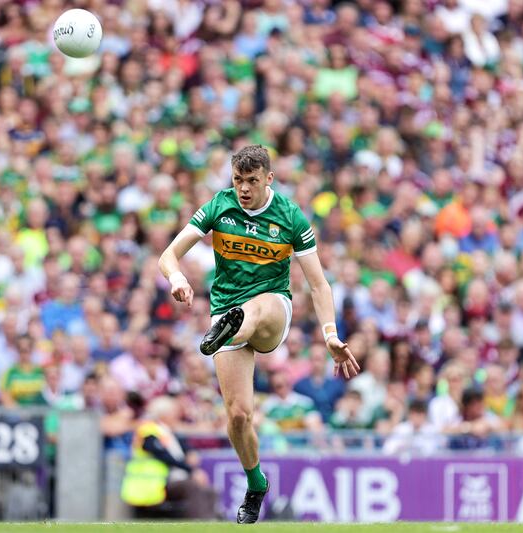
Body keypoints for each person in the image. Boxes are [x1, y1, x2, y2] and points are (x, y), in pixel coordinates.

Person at [158, 145, 360, 523]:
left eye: (252, 181)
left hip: (272, 312)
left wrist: (329, 334)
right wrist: (178, 277)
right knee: (237, 416)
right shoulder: (219, 206)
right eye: (238, 180)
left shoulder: (290, 216)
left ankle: (233, 325)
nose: (244, 189)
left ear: (269, 178)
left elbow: (318, 285)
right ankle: (256, 482)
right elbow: (168, 255)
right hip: (225, 312)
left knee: (255, 307)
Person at [121, 396, 217, 519]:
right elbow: (164, 456)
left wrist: (190, 452)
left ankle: (211, 524)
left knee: (209, 491)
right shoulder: (149, 431)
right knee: (191, 486)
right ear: (163, 415)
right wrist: (191, 471)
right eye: (174, 412)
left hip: (168, 480)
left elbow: (183, 446)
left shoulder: (167, 431)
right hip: (155, 483)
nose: (177, 415)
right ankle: (199, 524)